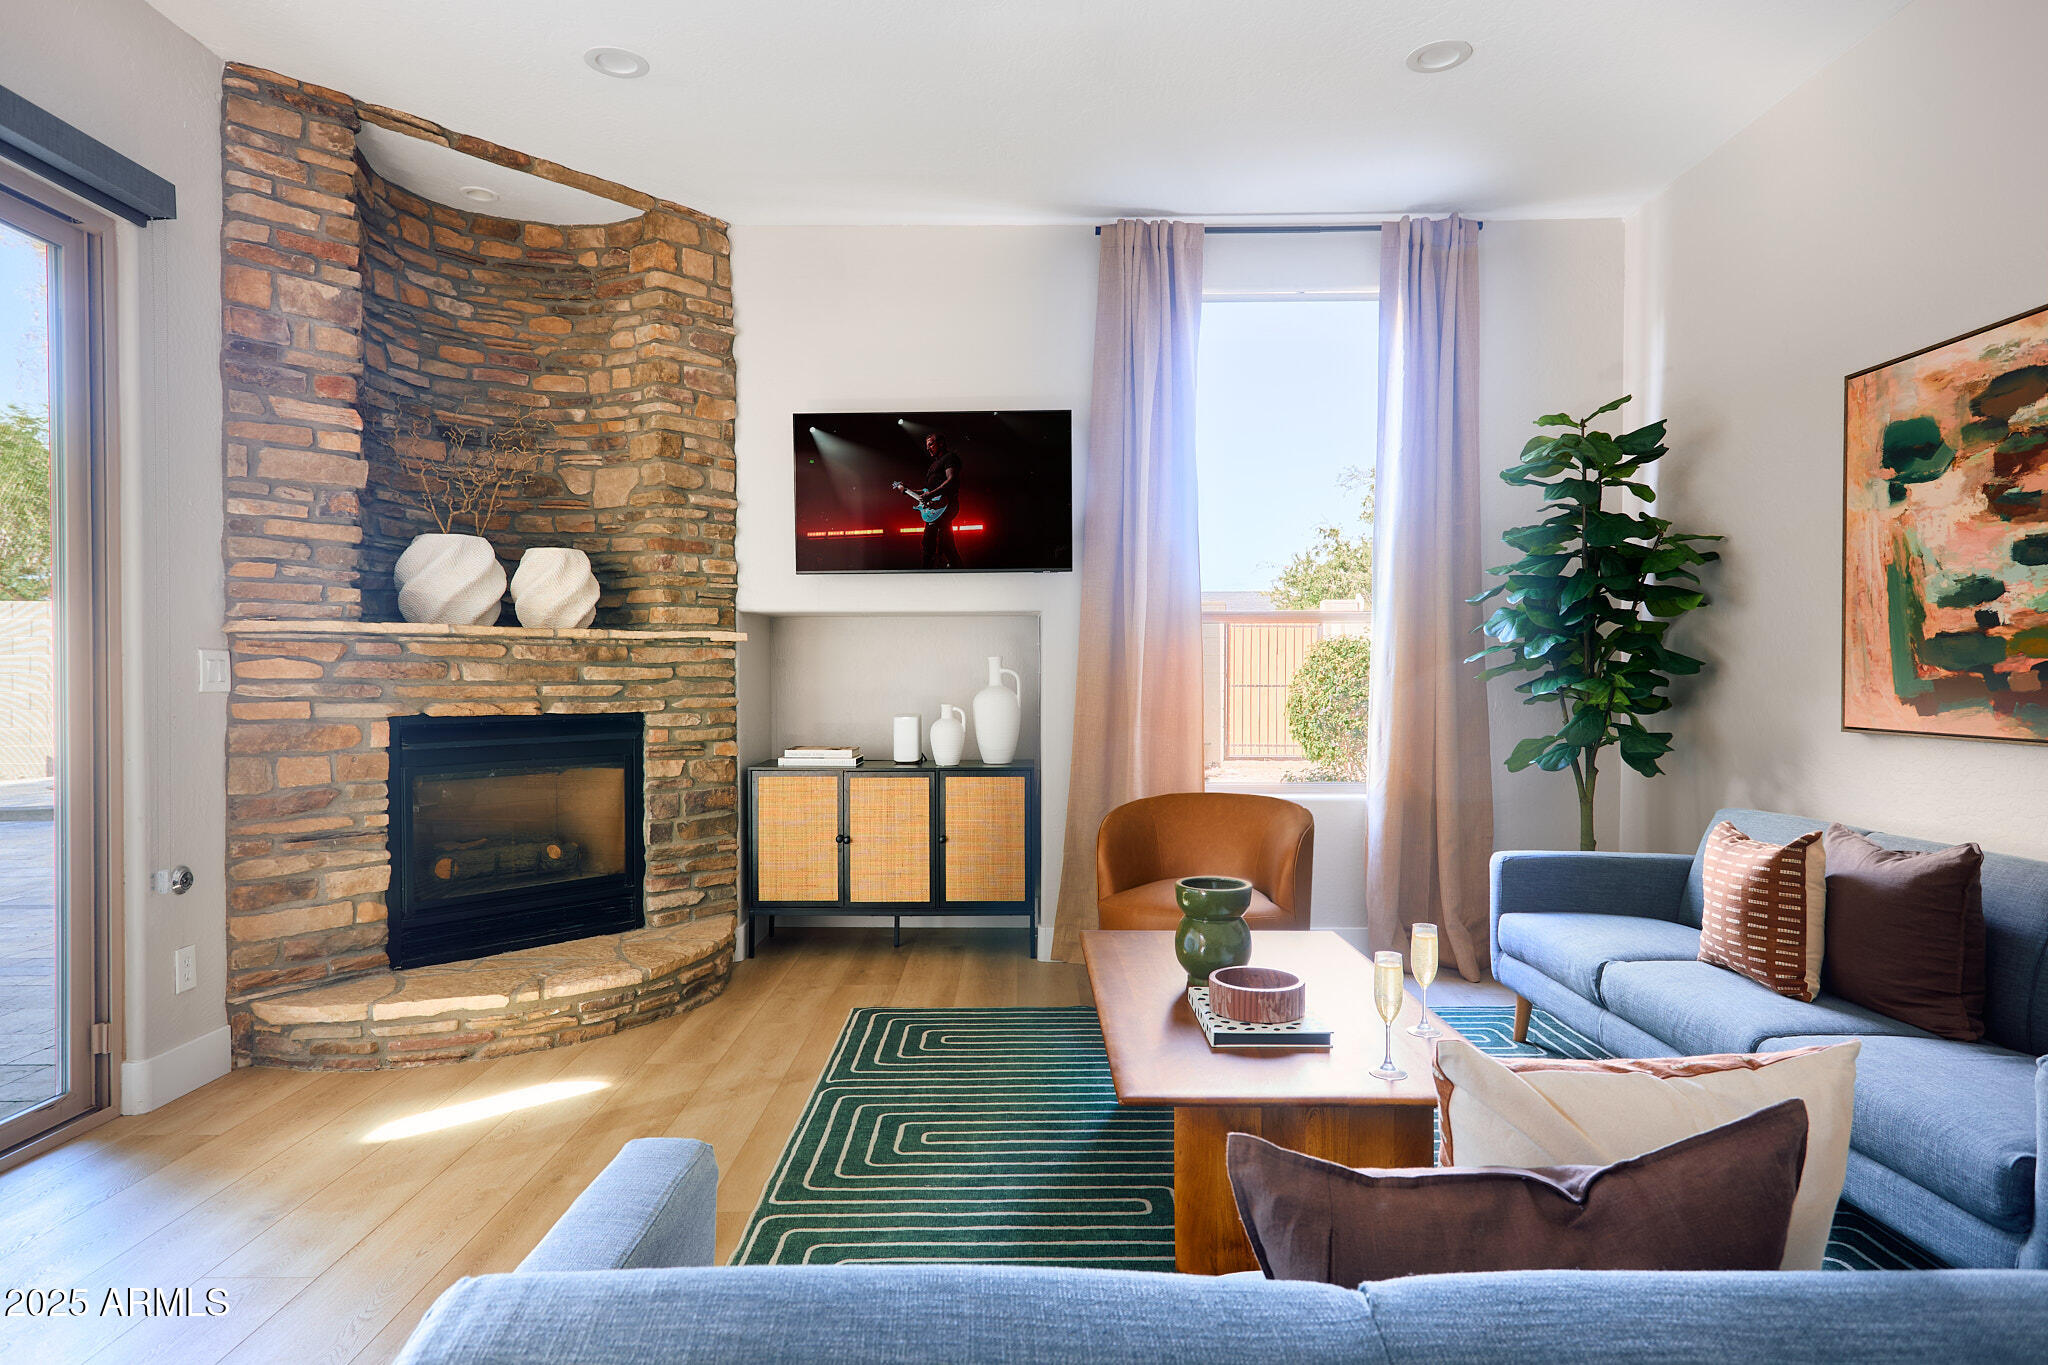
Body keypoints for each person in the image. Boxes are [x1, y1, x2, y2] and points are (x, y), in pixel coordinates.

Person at [912, 433, 963, 569]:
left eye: (931, 444)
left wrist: (931, 494)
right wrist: (908, 490)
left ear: (941, 443)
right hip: (935, 506)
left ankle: (929, 573)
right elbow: (926, 490)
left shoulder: (950, 458)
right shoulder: (933, 465)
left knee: (934, 543)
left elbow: (951, 479)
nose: (928, 448)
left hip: (946, 504)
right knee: (942, 544)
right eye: (927, 446)